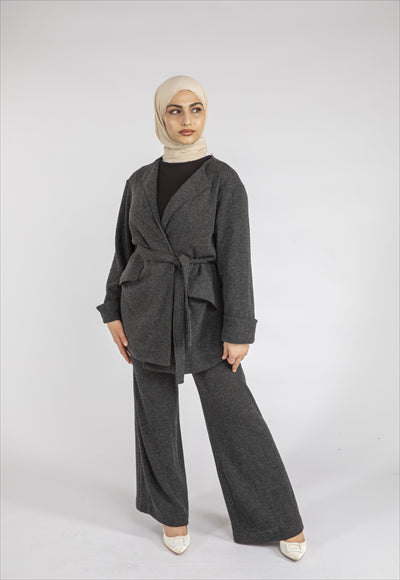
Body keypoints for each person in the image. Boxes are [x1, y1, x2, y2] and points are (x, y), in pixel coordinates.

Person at [96, 75, 307, 560]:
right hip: (146, 307)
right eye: (175, 110)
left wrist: (239, 328)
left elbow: (236, 258)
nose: (186, 120)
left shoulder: (223, 180)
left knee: (236, 419)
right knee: (155, 417)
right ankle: (170, 511)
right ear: (160, 116)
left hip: (204, 312)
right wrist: (113, 310)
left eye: (196, 109)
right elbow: (124, 252)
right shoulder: (138, 181)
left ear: (206, 113)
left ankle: (277, 518)